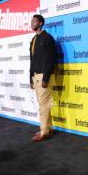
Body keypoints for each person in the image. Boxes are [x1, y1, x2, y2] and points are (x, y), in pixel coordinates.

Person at [29, 14, 58, 142]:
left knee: (43, 105)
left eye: (34, 21)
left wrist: (46, 77)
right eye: (31, 21)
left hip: (44, 76)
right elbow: (32, 60)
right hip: (35, 76)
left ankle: (43, 132)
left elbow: (51, 59)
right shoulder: (33, 39)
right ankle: (48, 127)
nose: (32, 23)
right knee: (44, 103)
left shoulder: (48, 38)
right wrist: (30, 77)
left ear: (40, 23)